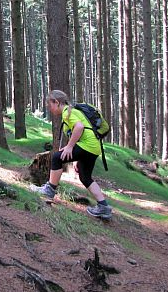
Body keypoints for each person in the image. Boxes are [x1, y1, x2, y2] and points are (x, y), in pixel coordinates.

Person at [30, 90, 112, 219]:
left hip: (88, 145)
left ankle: (49, 191)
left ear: (56, 102)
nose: (49, 109)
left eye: (49, 105)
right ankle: (104, 207)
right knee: (85, 177)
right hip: (94, 147)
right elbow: (78, 131)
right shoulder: (72, 111)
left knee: (57, 157)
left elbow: (79, 127)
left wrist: (69, 147)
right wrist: (74, 156)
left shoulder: (68, 112)